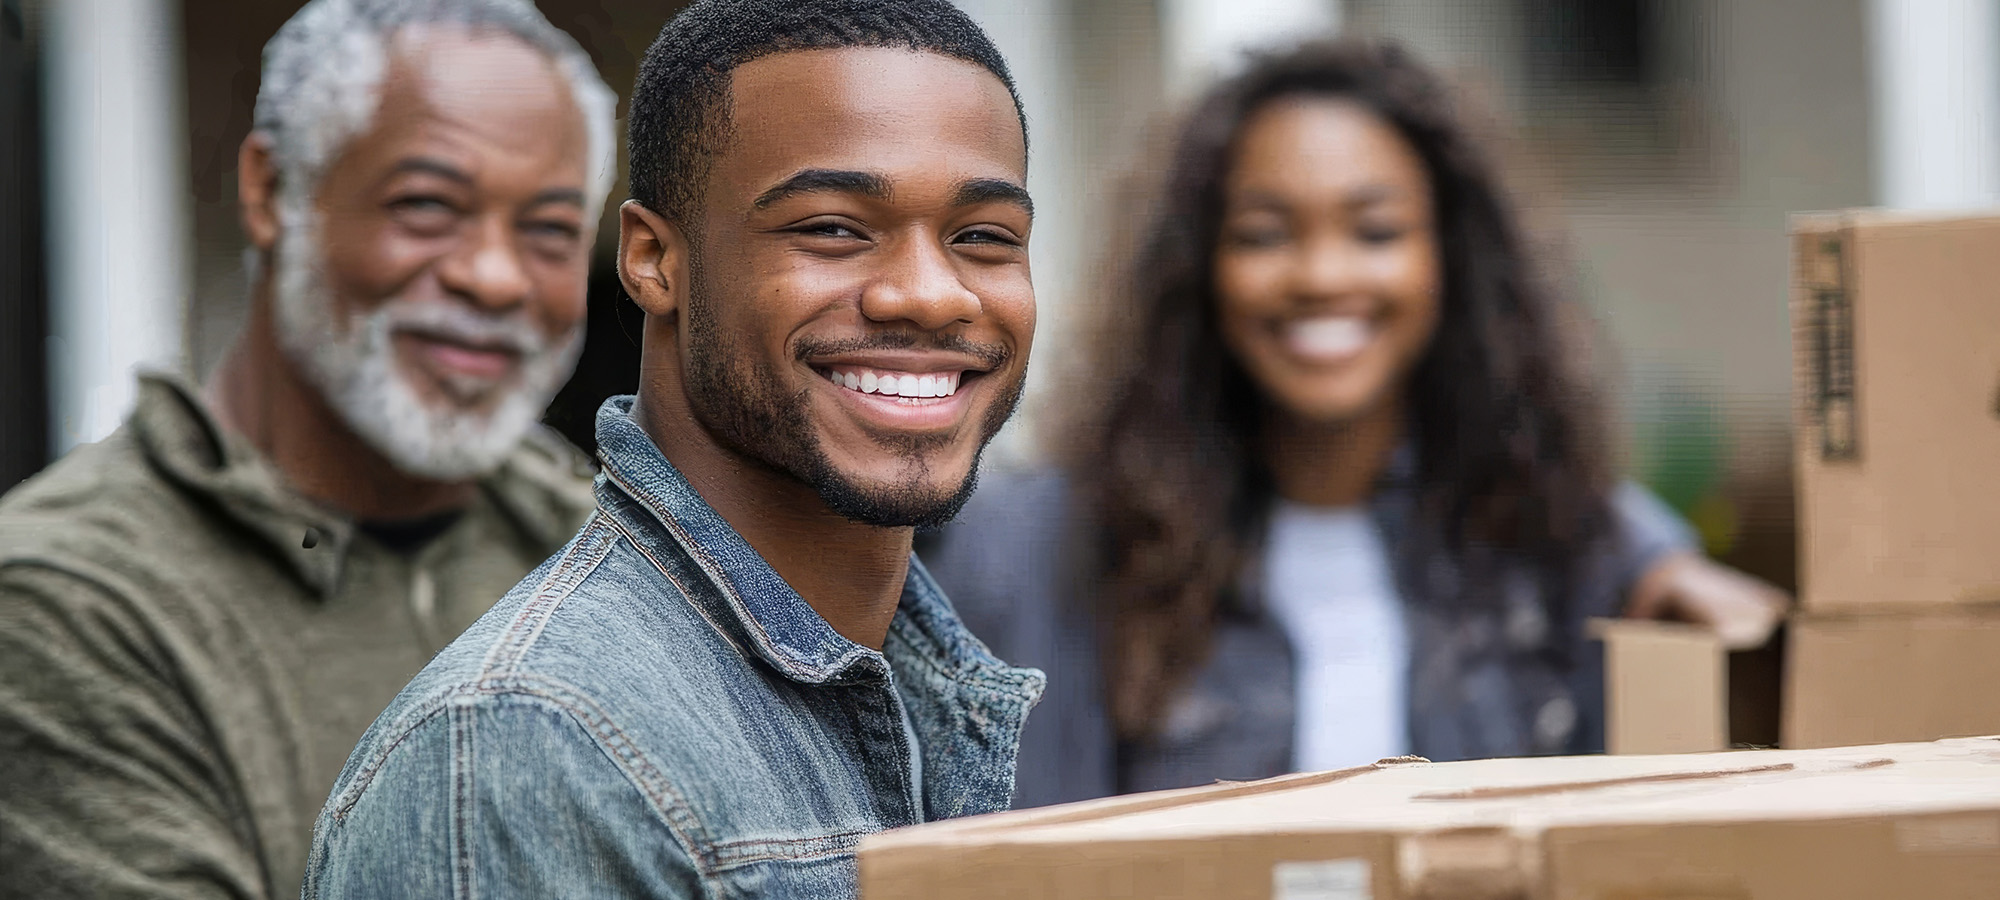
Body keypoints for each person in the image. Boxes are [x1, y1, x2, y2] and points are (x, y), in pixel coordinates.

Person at [922, 38, 1789, 807]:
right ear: (1201, 272)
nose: (1323, 274)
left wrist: (1658, 558)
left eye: (1375, 231)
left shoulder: (1554, 537)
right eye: (1265, 235)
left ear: (1449, 261)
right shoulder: (1065, 543)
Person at [301, 1, 1041, 896]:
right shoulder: (528, 748)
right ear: (654, 259)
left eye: (983, 238)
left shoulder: (938, 691)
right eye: (833, 229)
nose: (930, 294)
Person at [0, 1, 616, 896]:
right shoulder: (65, 603)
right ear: (271, 193)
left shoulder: (604, 552)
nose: (494, 275)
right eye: (428, 206)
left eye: (552, 229)